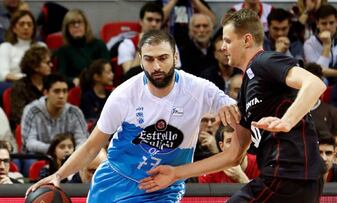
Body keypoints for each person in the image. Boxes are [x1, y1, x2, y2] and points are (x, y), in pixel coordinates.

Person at [138, 9, 327, 203]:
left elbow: (314, 84)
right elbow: (233, 155)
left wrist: (287, 121)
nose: (222, 47)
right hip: (295, 178)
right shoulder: (246, 89)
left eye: (228, 41)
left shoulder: (264, 61)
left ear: (246, 40)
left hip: (287, 175)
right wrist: (176, 173)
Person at [26, 30, 237, 202]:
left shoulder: (199, 89)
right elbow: (92, 146)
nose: (156, 66)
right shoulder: (124, 94)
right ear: (141, 60)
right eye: (149, 59)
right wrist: (58, 175)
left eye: (163, 58)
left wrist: (231, 107)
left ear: (175, 57)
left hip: (162, 187)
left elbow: (235, 108)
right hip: (114, 180)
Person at [21, 74, 88, 154]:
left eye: (65, 91)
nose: (61, 96)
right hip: (39, 156)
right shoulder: (32, 111)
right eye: (57, 91)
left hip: (69, 155)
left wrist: (70, 151)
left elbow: (82, 140)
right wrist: (55, 149)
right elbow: (29, 142)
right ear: (46, 93)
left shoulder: (75, 112)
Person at [56, 9, 110, 87]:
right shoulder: (63, 50)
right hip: (76, 88)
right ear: (67, 28)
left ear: (86, 25)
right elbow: (61, 76)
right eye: (72, 23)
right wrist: (73, 80)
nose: (76, 26)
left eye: (80, 22)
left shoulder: (99, 44)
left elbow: (107, 69)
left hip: (99, 86)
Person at [304, 4, 337, 80]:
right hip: (322, 82)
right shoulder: (309, 44)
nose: (328, 27)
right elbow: (317, 73)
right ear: (317, 24)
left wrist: (330, 72)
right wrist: (327, 45)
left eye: (331, 23)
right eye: (324, 23)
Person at [10, 46, 52, 127]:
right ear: (35, 66)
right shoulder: (20, 86)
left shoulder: (52, 83)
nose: (51, 65)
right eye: (47, 63)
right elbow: (19, 115)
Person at [117, 2, 163, 74]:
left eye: (157, 21)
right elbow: (129, 76)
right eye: (149, 19)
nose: (154, 24)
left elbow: (175, 75)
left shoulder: (169, 44)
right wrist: (142, 46)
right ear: (141, 21)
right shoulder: (127, 44)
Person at [304, 63, 337, 136]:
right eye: (308, 82)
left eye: (315, 82)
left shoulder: (332, 112)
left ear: (322, 82)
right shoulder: (290, 111)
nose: (311, 86)